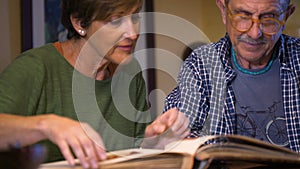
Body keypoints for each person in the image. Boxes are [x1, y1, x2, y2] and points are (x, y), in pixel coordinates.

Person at [0, 0, 190, 168]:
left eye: (135, 18)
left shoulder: (130, 72)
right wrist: (45, 125)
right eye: (116, 21)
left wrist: (155, 141)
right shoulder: (34, 67)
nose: (132, 34)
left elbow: (130, 152)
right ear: (80, 23)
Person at [164, 0, 300, 152]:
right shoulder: (200, 67)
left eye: (269, 18)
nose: (255, 33)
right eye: (243, 16)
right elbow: (177, 137)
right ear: (223, 10)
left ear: (286, 16)